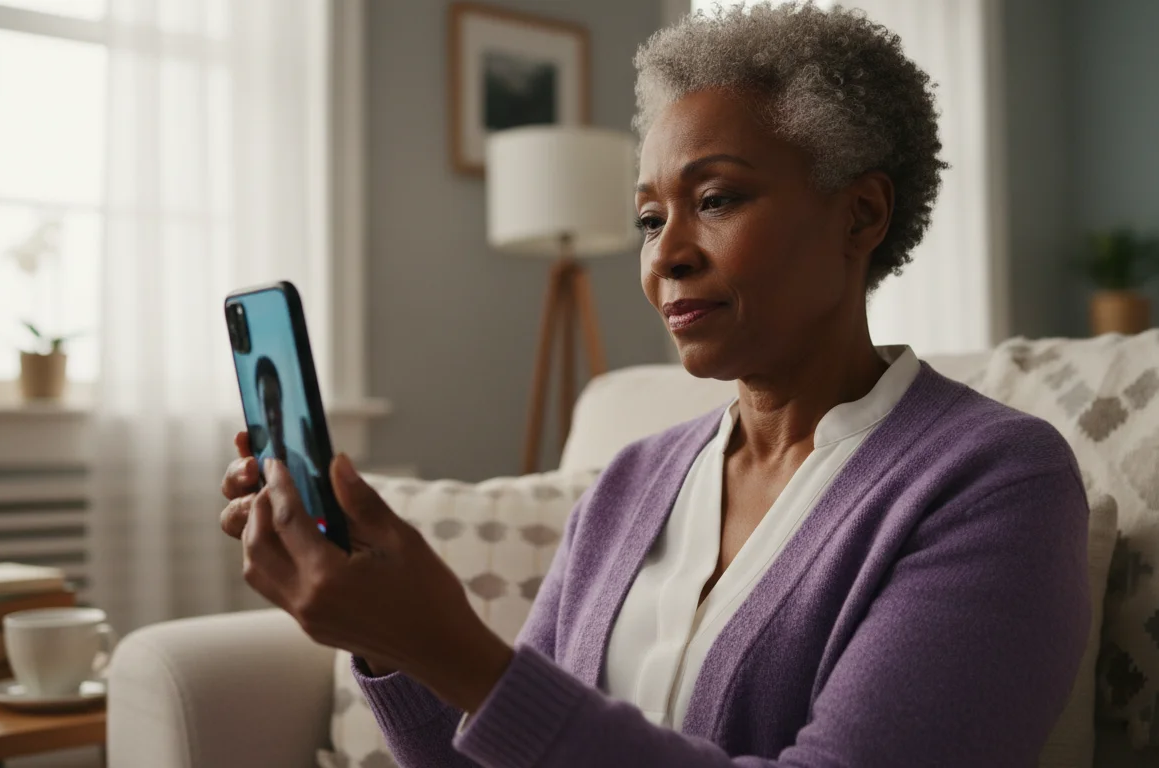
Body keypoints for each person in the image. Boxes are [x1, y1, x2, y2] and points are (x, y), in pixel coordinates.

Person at [218, 4, 1089, 766]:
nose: (665, 254)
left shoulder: (994, 480)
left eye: (716, 200)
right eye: (648, 217)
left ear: (861, 214)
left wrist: (453, 649)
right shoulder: (632, 484)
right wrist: (390, 640)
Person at [251, 356, 321, 526]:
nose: (273, 415)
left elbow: (319, 518)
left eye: (275, 402)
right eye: (266, 404)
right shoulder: (257, 470)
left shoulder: (300, 465)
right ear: (259, 410)